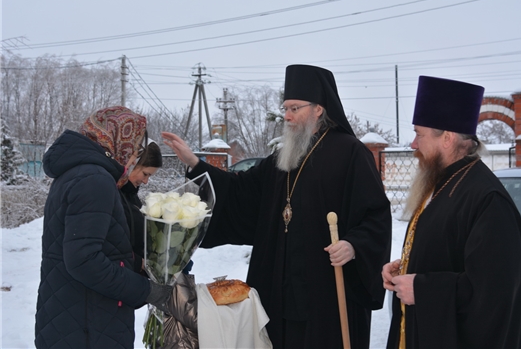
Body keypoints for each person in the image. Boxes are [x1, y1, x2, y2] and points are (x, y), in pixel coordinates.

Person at [162, 64, 392, 348]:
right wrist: (195, 164)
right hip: (278, 285)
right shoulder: (283, 156)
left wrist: (353, 244)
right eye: (285, 108)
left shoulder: (351, 153)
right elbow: (240, 191)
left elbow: (376, 216)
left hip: (324, 290)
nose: (287, 115)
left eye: (295, 108)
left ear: (318, 108)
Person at [382, 76, 521, 348]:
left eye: (419, 134)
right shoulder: (441, 183)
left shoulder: (487, 199)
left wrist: (421, 288)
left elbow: (495, 292)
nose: (413, 145)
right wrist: (406, 268)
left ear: (447, 138)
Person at [35, 106, 173, 349]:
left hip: (77, 317)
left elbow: (97, 247)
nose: (134, 155)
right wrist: (147, 291)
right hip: (88, 325)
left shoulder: (79, 173)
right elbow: (84, 261)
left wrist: (136, 263)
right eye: (135, 145)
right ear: (120, 140)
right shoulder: (94, 179)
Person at [120, 141, 163, 276]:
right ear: (132, 163)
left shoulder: (131, 195)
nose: (146, 181)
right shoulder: (112, 194)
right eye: (145, 174)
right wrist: (138, 262)